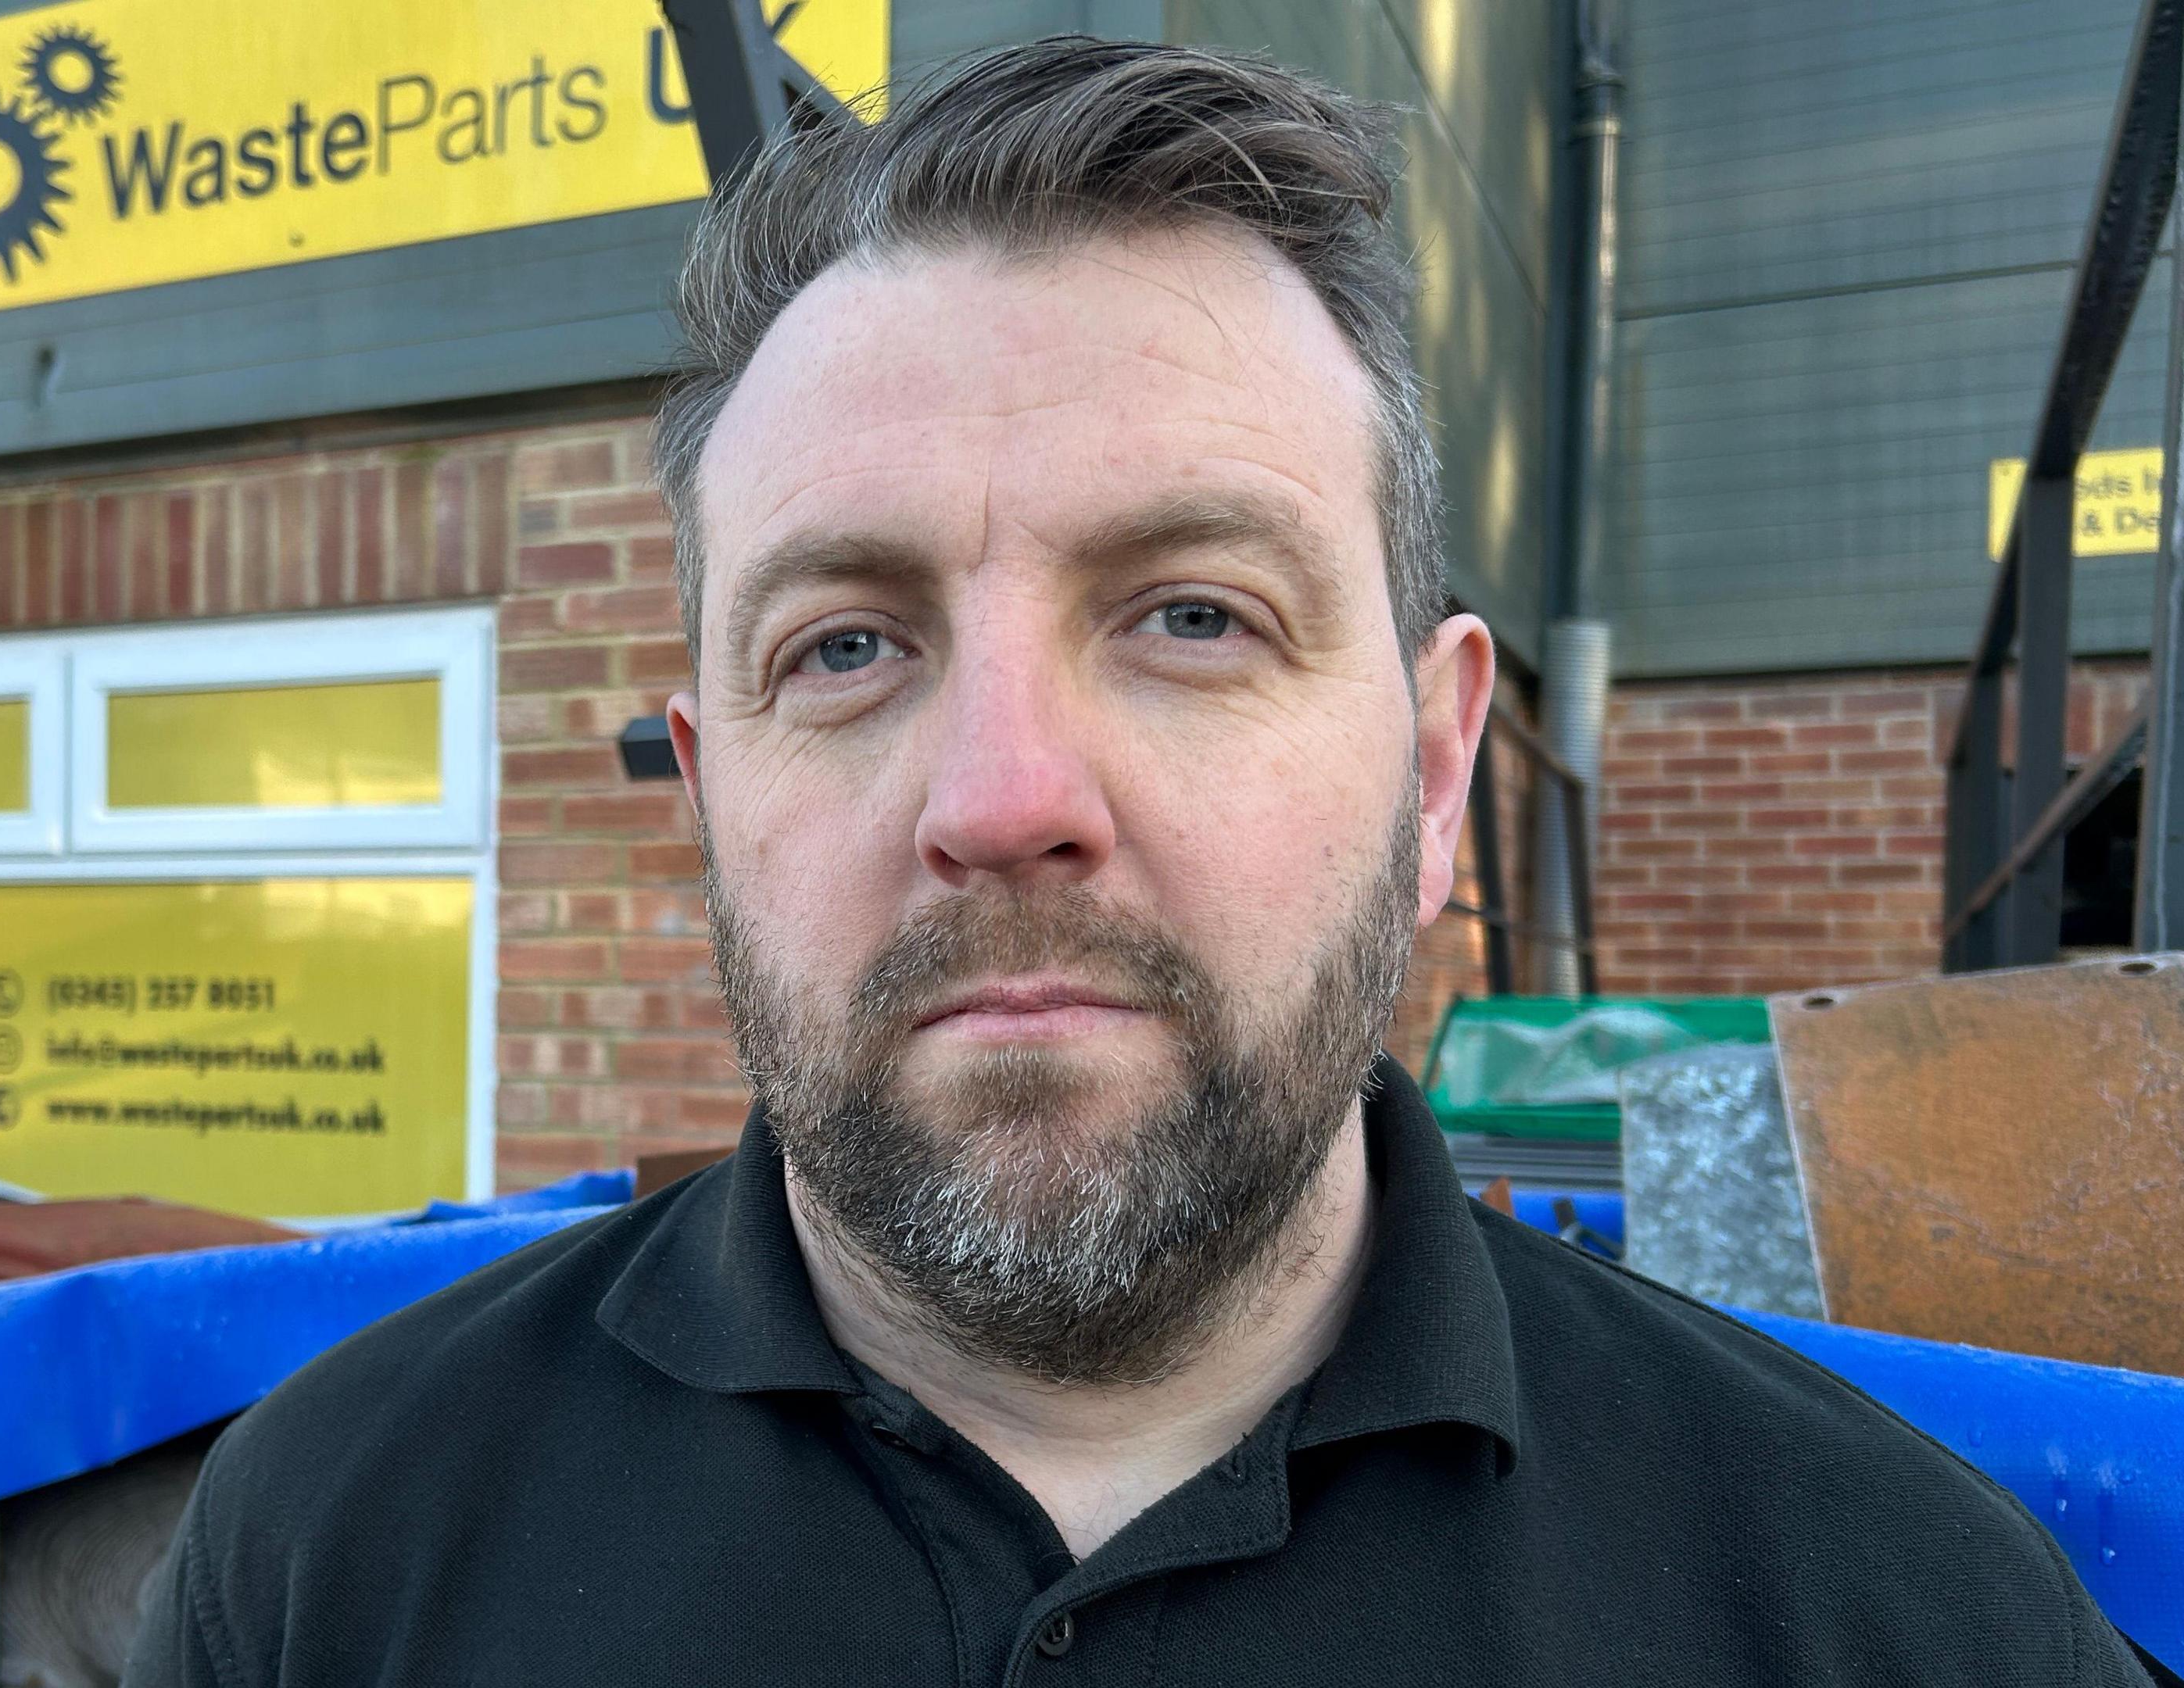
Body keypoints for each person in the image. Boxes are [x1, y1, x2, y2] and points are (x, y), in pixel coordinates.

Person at [124, 39, 2151, 1686]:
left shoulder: (1906, 1618)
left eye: (1193, 614)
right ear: (706, 776)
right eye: (844, 647)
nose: (1004, 794)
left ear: (1437, 766)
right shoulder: (329, 1543)